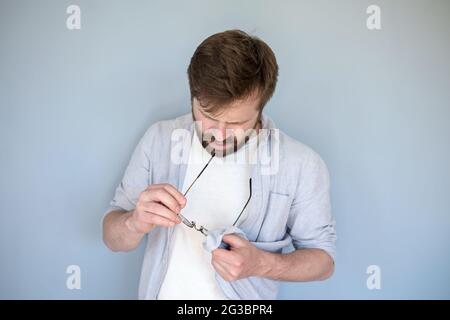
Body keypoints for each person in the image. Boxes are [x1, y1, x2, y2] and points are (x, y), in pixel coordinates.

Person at [102, 29, 336, 300]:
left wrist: (261, 263)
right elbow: (111, 237)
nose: (220, 135)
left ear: (261, 108)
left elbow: (324, 261)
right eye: (209, 116)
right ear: (193, 96)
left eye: (237, 123)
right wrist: (133, 223)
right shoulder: (159, 140)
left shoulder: (302, 165)